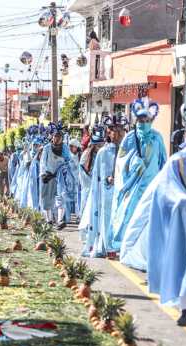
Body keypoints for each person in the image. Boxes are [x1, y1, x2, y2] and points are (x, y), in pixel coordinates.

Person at [120, 97, 186, 326]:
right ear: (184, 135)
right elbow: (165, 187)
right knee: (185, 263)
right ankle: (184, 308)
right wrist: (180, 200)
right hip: (185, 221)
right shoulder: (177, 162)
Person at [115, 98, 167, 267]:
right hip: (134, 186)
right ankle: (126, 249)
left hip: (151, 187)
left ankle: (145, 253)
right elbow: (121, 160)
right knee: (130, 218)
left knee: (149, 221)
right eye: (141, 120)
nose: (144, 124)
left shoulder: (157, 138)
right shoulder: (130, 138)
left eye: (147, 121)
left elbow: (163, 162)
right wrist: (134, 162)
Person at [80, 116, 127, 257]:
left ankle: (121, 245)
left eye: (121, 131)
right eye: (115, 131)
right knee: (107, 218)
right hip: (107, 192)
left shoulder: (128, 151)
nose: (118, 134)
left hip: (123, 191)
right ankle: (108, 246)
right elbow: (97, 177)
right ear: (109, 132)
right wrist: (108, 179)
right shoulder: (103, 152)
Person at [39, 124, 72, 229]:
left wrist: (64, 170)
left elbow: (68, 160)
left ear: (62, 137)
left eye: (59, 136)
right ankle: (48, 220)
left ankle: (60, 220)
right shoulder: (47, 148)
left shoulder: (65, 148)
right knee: (46, 198)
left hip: (60, 176)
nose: (57, 138)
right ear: (52, 136)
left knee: (60, 197)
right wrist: (43, 173)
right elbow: (43, 162)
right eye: (55, 136)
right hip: (48, 175)